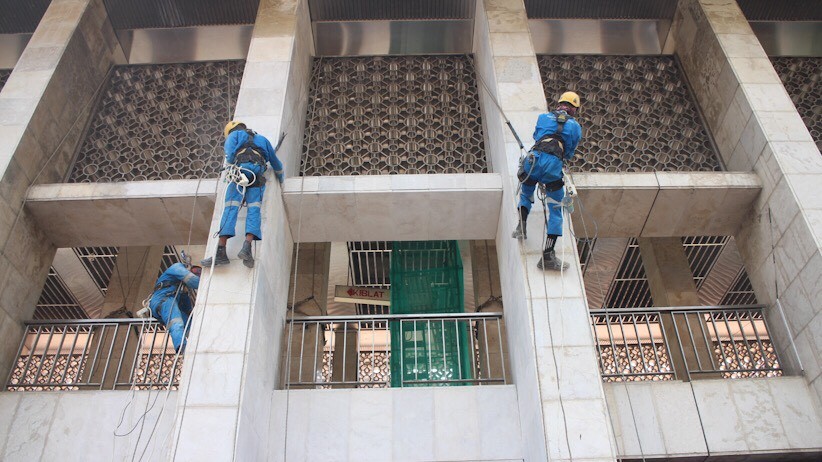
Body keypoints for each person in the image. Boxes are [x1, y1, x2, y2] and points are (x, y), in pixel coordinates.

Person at [512, 91, 583, 271]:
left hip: (533, 160)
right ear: (573, 108)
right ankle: (548, 255)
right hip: (552, 166)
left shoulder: (543, 117)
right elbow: (569, 152)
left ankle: (521, 226)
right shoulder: (575, 126)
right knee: (556, 209)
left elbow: (538, 136)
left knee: (526, 193)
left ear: (559, 104)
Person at [201, 121, 284, 268]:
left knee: (231, 207)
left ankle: (221, 251)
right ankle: (247, 247)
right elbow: (276, 163)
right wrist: (281, 179)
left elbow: (230, 155)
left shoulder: (235, 135)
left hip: (239, 172)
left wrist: (233, 168)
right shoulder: (263, 140)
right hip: (257, 174)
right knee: (254, 209)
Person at [149, 262, 201, 352]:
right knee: (176, 321)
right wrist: (209, 283)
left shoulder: (181, 287)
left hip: (168, 302)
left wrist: (190, 313)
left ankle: (197, 345)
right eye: (197, 272)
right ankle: (181, 346)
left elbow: (185, 305)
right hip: (163, 299)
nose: (197, 274)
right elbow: (193, 281)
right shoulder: (176, 267)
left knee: (190, 324)